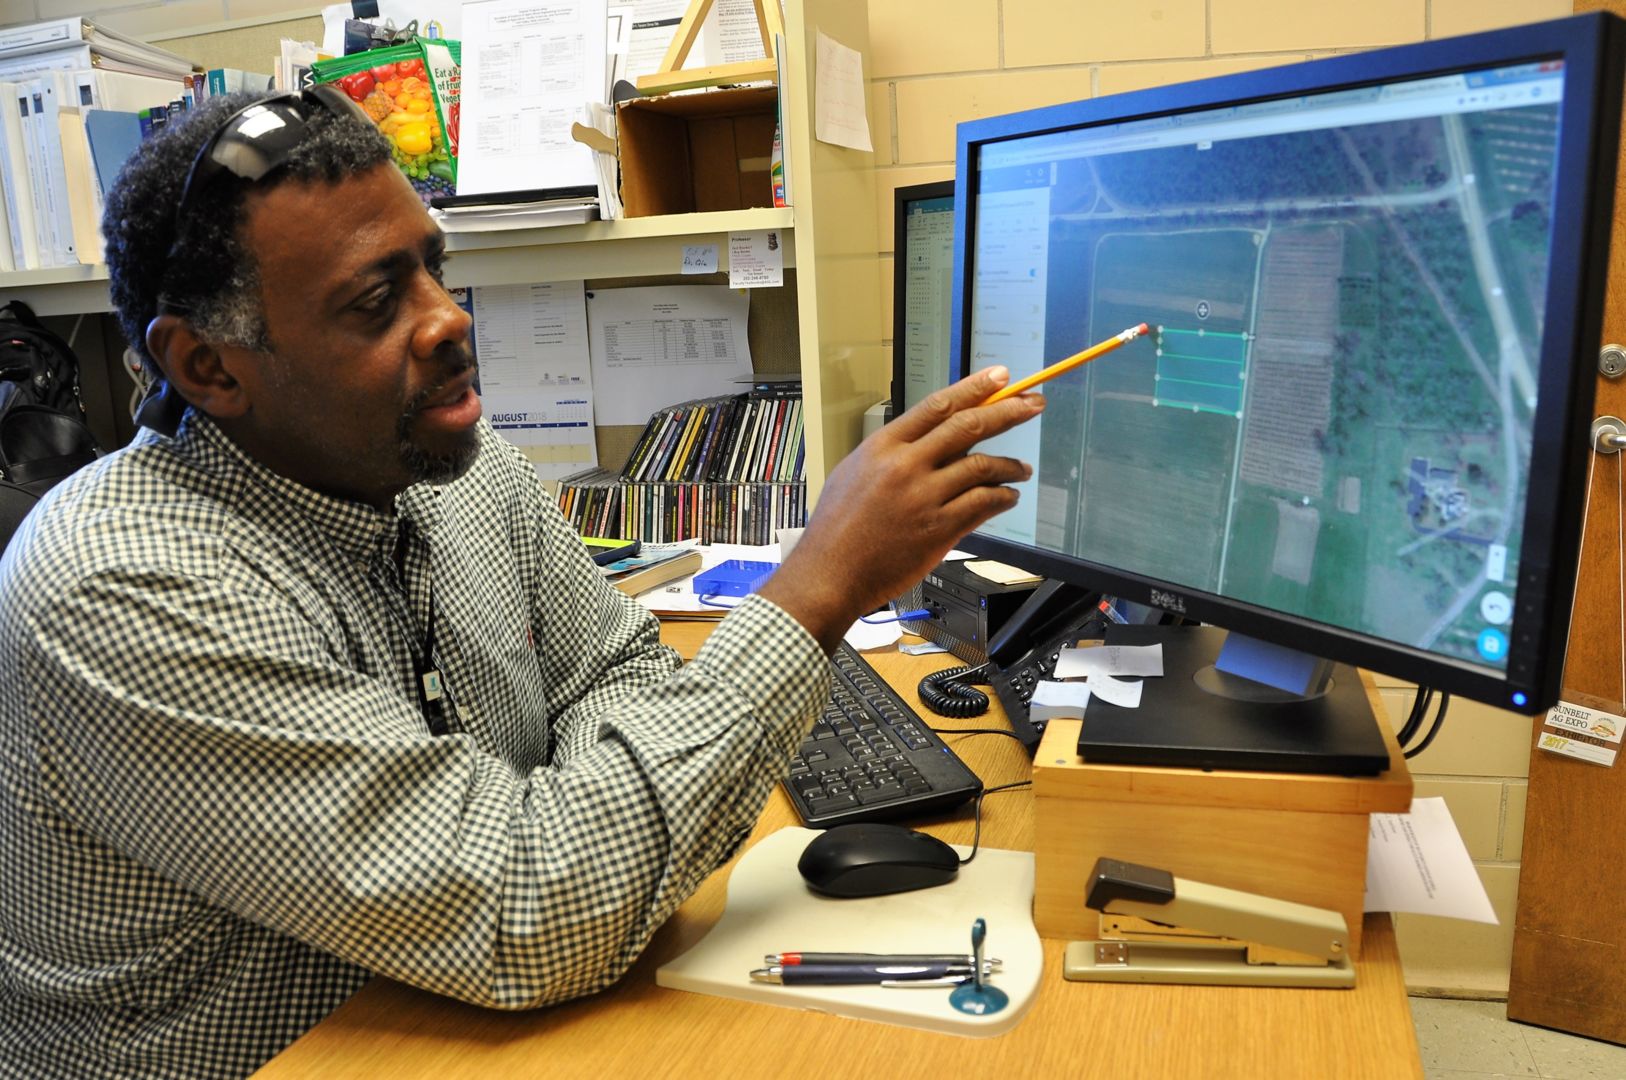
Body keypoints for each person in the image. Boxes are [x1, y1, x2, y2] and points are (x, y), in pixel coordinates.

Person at [0, 88, 1045, 1079]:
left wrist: (558, 826)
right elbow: (525, 911)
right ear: (210, 368)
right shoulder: (121, 585)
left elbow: (622, 670)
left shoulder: (444, 452)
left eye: (431, 268)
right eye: (376, 301)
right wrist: (817, 588)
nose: (448, 321)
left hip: (457, 1025)